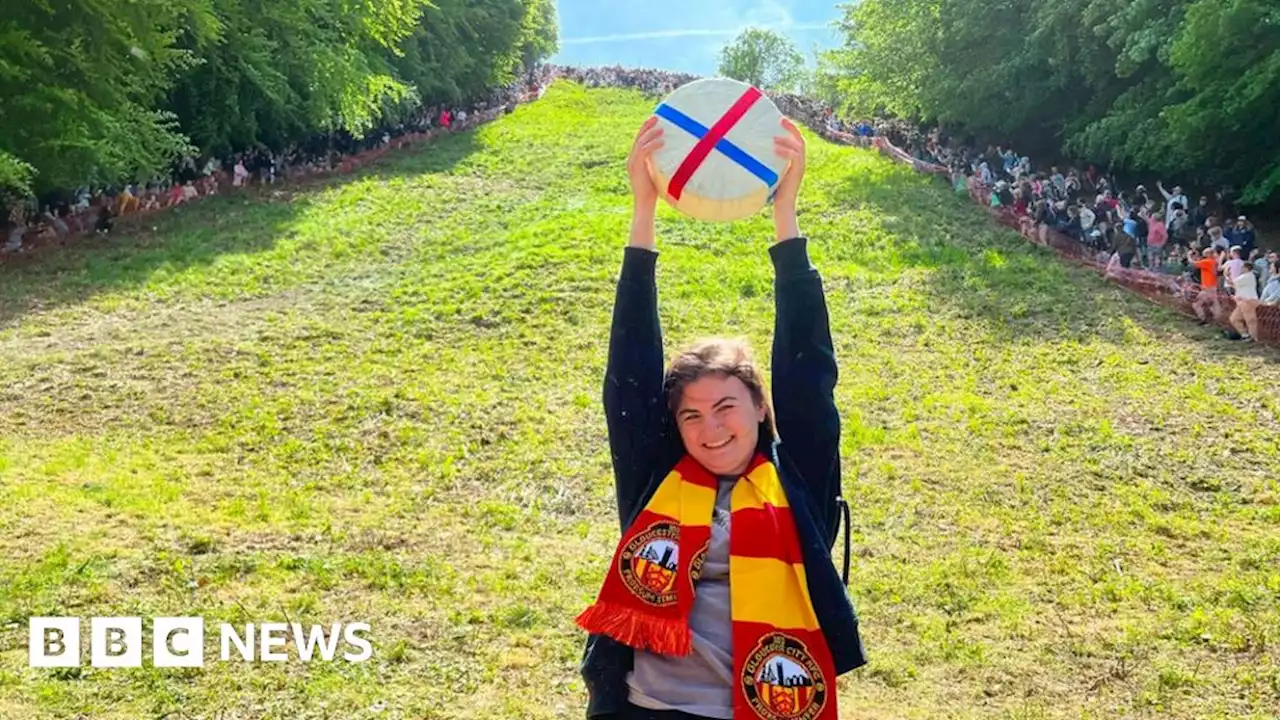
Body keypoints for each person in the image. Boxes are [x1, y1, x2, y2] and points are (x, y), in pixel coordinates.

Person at [576, 115, 866, 720]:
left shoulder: (797, 481)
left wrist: (785, 215)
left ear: (761, 409)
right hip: (646, 708)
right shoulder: (658, 479)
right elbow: (627, 376)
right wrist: (643, 211)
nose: (711, 430)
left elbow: (809, 377)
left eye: (727, 407)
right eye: (691, 415)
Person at [1228, 260, 1260, 341]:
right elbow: (1236, 286)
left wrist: (1227, 274)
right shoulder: (1246, 276)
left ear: (1246, 268)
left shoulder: (1247, 276)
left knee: (1250, 320)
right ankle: (1245, 335)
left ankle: (1253, 338)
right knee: (1234, 318)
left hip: (1248, 301)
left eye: (1242, 267)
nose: (1241, 269)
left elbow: (1231, 283)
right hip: (1242, 301)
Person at [1190, 247, 1222, 325]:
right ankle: (1218, 320)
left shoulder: (1207, 261)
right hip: (1212, 286)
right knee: (1213, 303)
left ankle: (1203, 318)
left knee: (1196, 303)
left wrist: (1189, 256)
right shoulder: (1213, 262)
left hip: (1208, 287)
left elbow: (1194, 263)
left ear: (1208, 254)